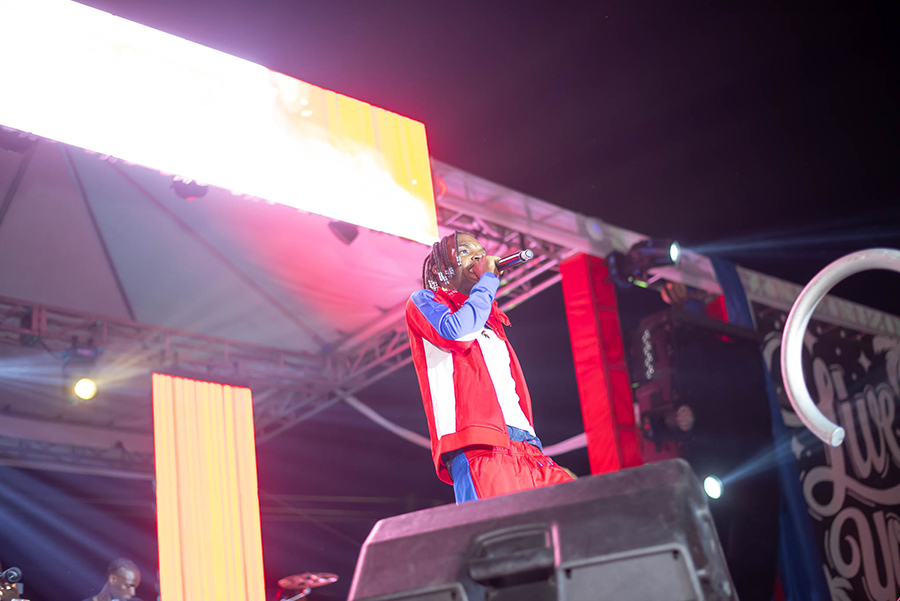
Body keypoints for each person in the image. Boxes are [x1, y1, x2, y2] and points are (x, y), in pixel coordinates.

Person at [406, 231, 573, 503]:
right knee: (501, 528)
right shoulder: (424, 301)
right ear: (439, 269)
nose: (478, 256)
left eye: (481, 252)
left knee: (584, 513)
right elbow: (456, 333)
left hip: (528, 447)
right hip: (481, 447)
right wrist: (488, 281)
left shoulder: (490, 319)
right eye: (464, 251)